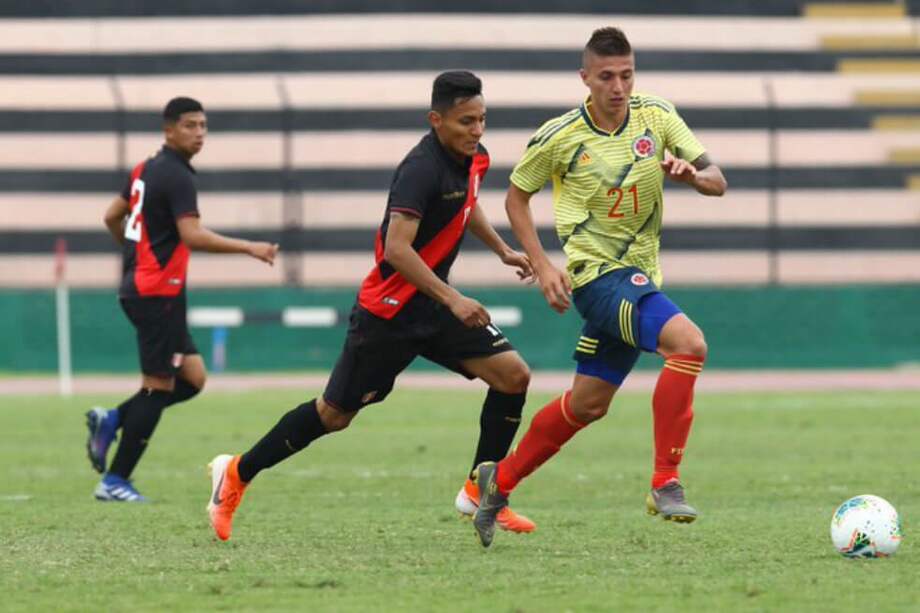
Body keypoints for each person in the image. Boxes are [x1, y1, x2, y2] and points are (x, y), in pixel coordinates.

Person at [206, 71, 538, 541]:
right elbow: (397, 251)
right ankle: (237, 472)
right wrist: (454, 298)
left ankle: (481, 491)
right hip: (390, 312)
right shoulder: (419, 169)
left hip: (435, 306)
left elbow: (468, 203)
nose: (477, 130)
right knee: (333, 416)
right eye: (466, 121)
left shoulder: (475, 157)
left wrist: (501, 249)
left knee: (513, 376)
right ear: (436, 120)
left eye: (483, 119)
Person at [471, 27, 728, 547]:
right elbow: (516, 198)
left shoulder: (656, 115)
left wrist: (692, 178)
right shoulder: (561, 135)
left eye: (626, 74)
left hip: (640, 278)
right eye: (607, 76)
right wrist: (543, 265)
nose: (618, 86)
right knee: (689, 344)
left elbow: (717, 178)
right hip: (596, 277)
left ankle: (498, 482)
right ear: (585, 77)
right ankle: (665, 481)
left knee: (588, 404)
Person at [85, 96, 279, 502]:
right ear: (168, 129)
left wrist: (132, 254)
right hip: (156, 294)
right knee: (158, 386)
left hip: (155, 290)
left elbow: (110, 216)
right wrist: (249, 247)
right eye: (190, 125)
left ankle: (115, 417)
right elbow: (191, 235)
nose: (199, 133)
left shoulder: (146, 168)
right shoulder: (175, 176)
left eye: (204, 126)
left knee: (192, 379)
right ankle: (115, 480)